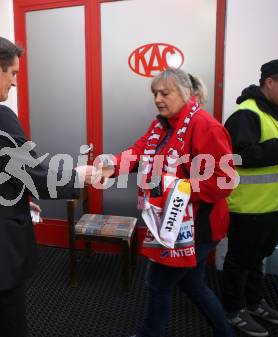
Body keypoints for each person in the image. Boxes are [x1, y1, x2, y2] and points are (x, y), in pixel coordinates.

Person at [0, 35, 98, 337]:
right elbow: (35, 175)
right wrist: (79, 175)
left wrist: (15, 198)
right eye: (13, 73)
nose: (15, 82)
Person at [101, 68, 235, 337]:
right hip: (172, 224)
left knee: (157, 283)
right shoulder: (162, 123)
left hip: (198, 227)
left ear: (186, 94)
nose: (158, 99)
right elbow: (139, 151)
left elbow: (224, 180)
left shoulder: (206, 126)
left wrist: (175, 188)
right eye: (154, 94)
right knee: (193, 286)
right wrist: (112, 166)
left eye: (165, 93)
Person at [222, 58, 278, 337]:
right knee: (240, 261)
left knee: (258, 259)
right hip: (250, 206)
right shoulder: (246, 114)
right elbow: (241, 156)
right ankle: (233, 309)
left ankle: (253, 303)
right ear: (269, 82)